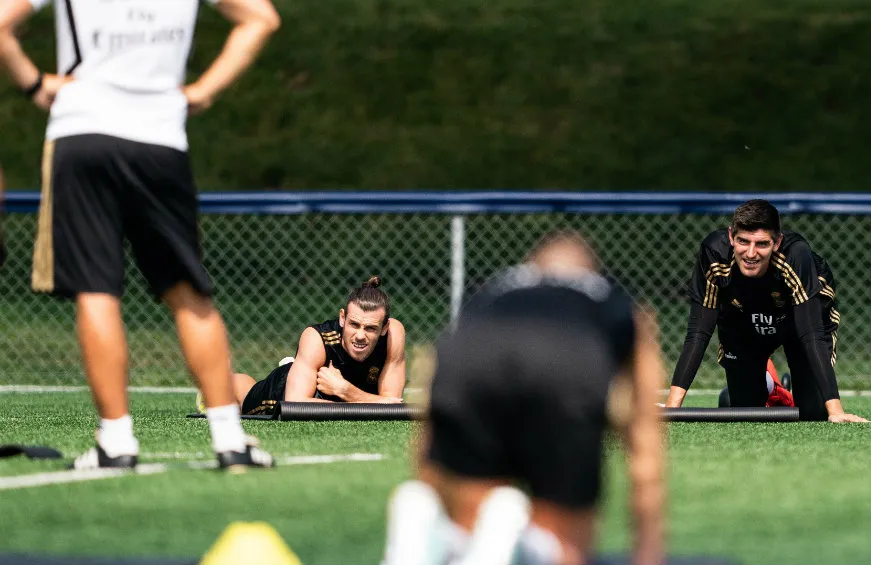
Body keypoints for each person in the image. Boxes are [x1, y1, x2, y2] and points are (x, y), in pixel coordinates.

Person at [0, 0, 281, 470]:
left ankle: (116, 441)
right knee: (188, 291)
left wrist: (35, 84)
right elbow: (261, 19)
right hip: (160, 138)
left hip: (82, 132)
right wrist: (202, 92)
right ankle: (230, 440)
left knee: (96, 291)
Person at [382, 231, 666, 565]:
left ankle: (438, 528)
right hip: (567, 357)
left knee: (469, 515)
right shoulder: (614, 300)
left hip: (469, 356)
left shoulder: (494, 291)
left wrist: (432, 482)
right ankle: (524, 544)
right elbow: (645, 438)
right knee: (569, 546)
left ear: (532, 266)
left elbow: (434, 382)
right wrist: (648, 552)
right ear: (590, 271)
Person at [665, 199, 868, 423]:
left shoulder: (796, 256)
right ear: (731, 236)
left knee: (813, 413)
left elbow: (811, 334)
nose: (751, 253)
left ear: (777, 242)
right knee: (744, 412)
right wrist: (672, 410)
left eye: (761, 244)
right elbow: (698, 333)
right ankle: (769, 386)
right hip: (742, 319)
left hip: (798, 321)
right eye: (743, 241)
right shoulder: (714, 254)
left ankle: (782, 389)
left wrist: (836, 411)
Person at [231, 277, 407, 414]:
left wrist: (345, 391)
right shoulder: (317, 338)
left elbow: (392, 403)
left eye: (370, 328)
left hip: (338, 392)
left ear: (384, 328)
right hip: (286, 390)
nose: (360, 335)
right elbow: (295, 403)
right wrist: (360, 398)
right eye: (354, 324)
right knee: (246, 395)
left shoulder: (394, 334)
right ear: (342, 318)